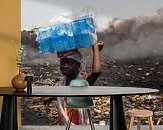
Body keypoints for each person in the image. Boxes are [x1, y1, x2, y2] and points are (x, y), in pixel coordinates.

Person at [43, 41, 104, 125]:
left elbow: (96, 72)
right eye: (63, 63)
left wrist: (95, 49)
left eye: (70, 63)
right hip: (63, 125)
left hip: (78, 126)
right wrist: (51, 97)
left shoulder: (82, 82)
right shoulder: (61, 84)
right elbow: (61, 95)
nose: (65, 66)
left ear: (78, 66)